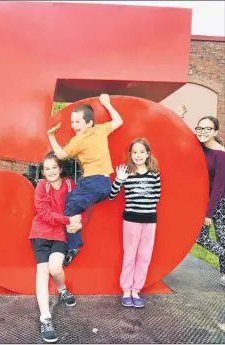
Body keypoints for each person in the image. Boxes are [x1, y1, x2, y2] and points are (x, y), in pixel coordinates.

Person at [47, 94, 123, 265]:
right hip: (104, 184)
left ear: (89, 123)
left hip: (92, 183)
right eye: (72, 122)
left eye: (77, 122)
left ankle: (73, 245)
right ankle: (76, 225)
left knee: (68, 209)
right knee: (70, 205)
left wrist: (51, 136)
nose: (74, 126)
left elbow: (60, 155)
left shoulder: (78, 140)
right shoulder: (101, 129)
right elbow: (119, 121)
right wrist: (107, 104)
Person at [29, 152, 85, 343]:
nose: (51, 171)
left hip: (60, 233)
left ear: (60, 169)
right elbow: (44, 214)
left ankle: (62, 289)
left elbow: (78, 206)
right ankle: (45, 318)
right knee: (43, 272)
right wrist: (68, 220)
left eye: (54, 167)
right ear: (43, 172)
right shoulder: (41, 186)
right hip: (40, 233)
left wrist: (78, 222)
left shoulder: (69, 184)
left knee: (55, 268)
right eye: (47, 168)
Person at [109, 138, 161, 308]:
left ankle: (136, 290)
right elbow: (112, 195)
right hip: (131, 220)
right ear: (130, 155)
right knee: (130, 256)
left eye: (141, 152)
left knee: (144, 257)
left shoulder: (154, 173)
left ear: (148, 154)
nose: (138, 155)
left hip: (150, 220)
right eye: (135, 152)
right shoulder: (127, 172)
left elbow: (157, 196)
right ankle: (126, 290)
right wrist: (119, 179)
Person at [176, 106, 225, 286]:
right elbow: (184, 137)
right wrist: (179, 118)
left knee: (221, 237)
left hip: (219, 202)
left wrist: (209, 214)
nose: (202, 132)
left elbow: (219, 188)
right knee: (203, 238)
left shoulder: (221, 155)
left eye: (207, 129)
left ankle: (224, 274)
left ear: (216, 131)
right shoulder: (200, 146)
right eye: (200, 128)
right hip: (204, 199)